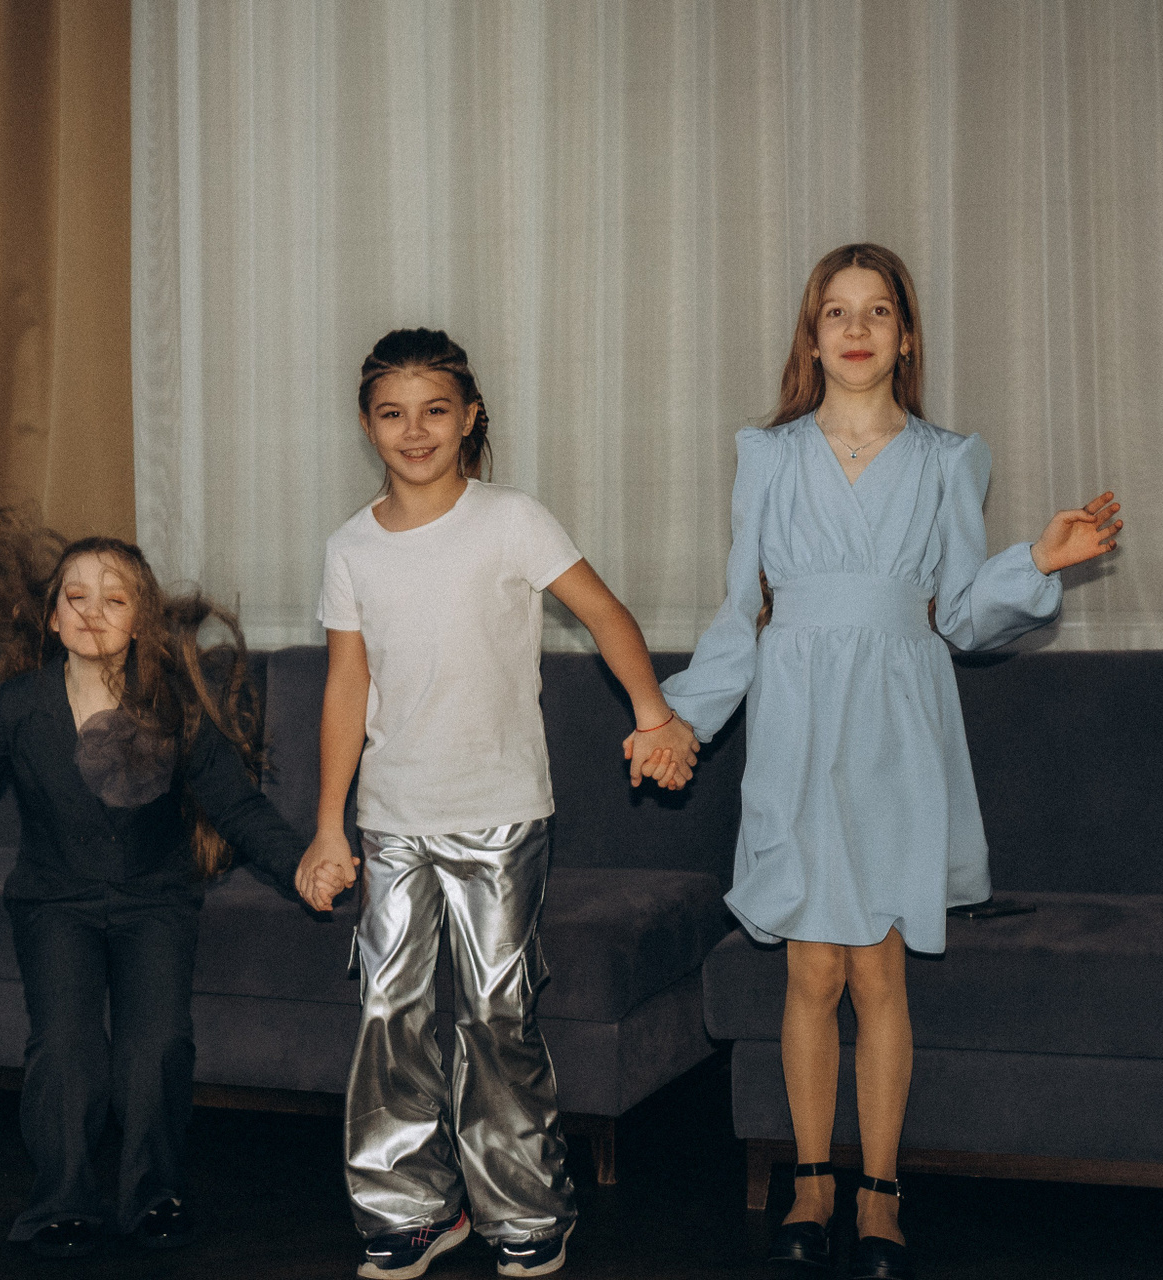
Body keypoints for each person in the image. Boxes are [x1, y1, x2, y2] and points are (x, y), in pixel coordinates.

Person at [658, 244, 1123, 1280]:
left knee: (876, 967)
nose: (857, 328)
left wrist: (1036, 562)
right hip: (795, 719)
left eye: (878, 311)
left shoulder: (950, 458)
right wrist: (681, 719)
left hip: (899, 725)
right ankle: (809, 1182)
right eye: (837, 311)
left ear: (906, 336)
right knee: (811, 966)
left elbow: (961, 615)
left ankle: (880, 1191)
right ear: (813, 334)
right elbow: (740, 612)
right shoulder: (768, 455)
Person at [295, 328, 699, 1280]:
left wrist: (653, 714)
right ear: (367, 426)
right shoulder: (351, 546)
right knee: (389, 1012)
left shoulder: (512, 519)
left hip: (502, 814)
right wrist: (327, 825)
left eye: (435, 410)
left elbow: (604, 613)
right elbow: (347, 686)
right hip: (392, 820)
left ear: (469, 416)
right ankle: (411, 1209)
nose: (415, 431)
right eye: (392, 414)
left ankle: (522, 1205)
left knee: (494, 1012)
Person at [0, 519, 311, 1258]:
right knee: (67, 1046)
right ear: (52, 618)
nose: (91, 611)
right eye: (74, 597)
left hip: (156, 901)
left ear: (141, 620)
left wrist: (301, 866)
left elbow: (237, 807)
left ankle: (156, 1194)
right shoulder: (18, 705)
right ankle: (62, 1200)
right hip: (55, 903)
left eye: (114, 599)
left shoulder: (175, 703)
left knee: (156, 1046)